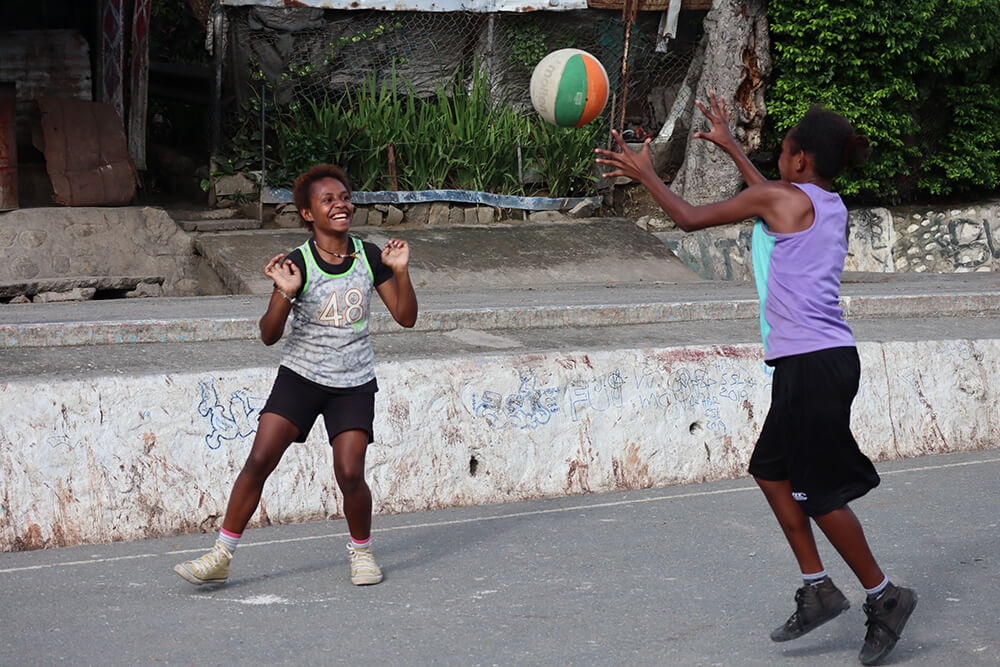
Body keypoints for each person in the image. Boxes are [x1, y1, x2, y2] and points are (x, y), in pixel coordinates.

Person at [596, 93, 917, 666]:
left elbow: (690, 218)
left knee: (817, 493)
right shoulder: (827, 202)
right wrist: (734, 149)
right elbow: (769, 196)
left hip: (812, 365)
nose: (778, 163)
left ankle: (884, 596)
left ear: (796, 161)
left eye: (784, 152)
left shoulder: (781, 197)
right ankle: (818, 588)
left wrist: (647, 173)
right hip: (820, 361)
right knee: (771, 472)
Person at [174, 164, 418, 587]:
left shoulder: (371, 256)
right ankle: (221, 555)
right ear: (308, 213)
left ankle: (362, 552)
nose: (340, 204)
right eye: (328, 200)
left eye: (344, 197)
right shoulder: (295, 263)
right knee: (260, 459)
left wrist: (400, 271)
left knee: (350, 473)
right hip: (300, 379)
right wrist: (285, 294)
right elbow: (269, 335)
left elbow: (406, 317)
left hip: (353, 384)